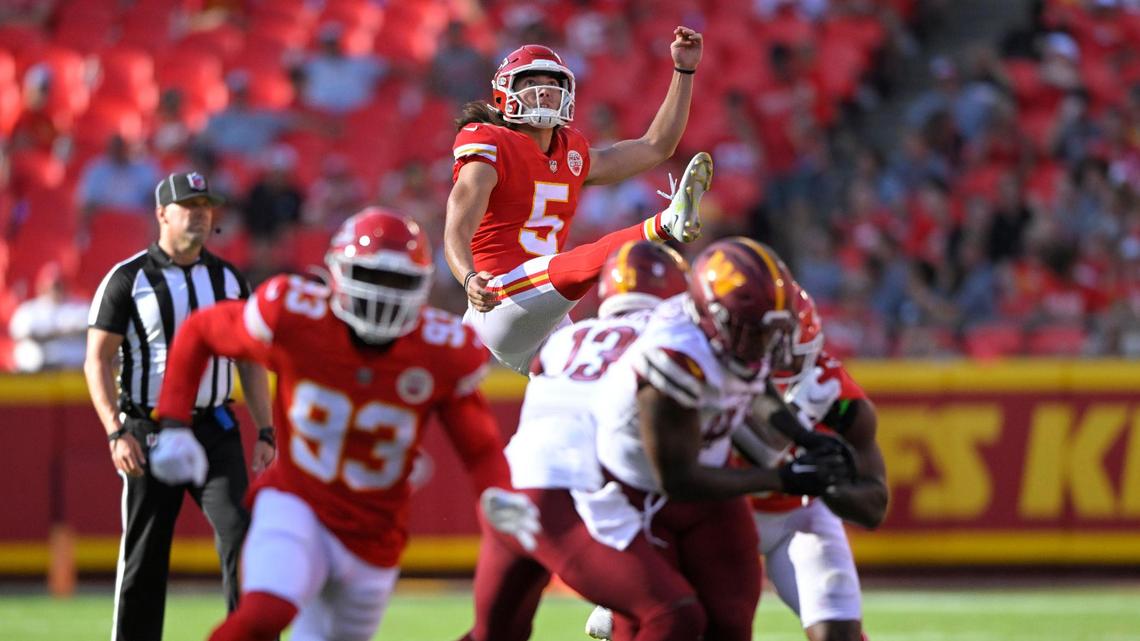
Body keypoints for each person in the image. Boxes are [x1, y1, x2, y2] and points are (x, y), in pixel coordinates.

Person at [147, 207, 540, 641]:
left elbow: (479, 447)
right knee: (263, 615)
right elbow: (201, 330)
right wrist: (174, 422)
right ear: (337, 272)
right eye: (370, 277)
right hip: (297, 503)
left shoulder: (441, 349)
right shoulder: (295, 316)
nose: (382, 295)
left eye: (398, 282)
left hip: (374, 536)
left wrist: (498, 493)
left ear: (421, 286)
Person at [588, 238, 857, 641]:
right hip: (640, 497)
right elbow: (678, 479)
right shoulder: (673, 356)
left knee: (731, 620)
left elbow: (755, 384)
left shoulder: (733, 332)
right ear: (713, 316)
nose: (763, 344)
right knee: (671, 622)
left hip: (708, 497)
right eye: (753, 330)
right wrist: (785, 478)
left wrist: (803, 437)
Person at [461, 241, 705, 641]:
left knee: (495, 634)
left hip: (512, 485)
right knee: (673, 612)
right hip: (560, 497)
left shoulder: (572, 339)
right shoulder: (666, 345)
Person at [445, 27, 713, 374]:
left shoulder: (572, 153)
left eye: (551, 83)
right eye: (531, 82)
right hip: (498, 299)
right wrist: (468, 278)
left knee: (598, 388)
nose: (544, 91)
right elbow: (456, 226)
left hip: (549, 313)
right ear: (504, 94)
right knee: (574, 263)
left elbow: (656, 146)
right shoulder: (489, 143)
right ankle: (665, 223)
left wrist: (684, 71)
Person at [83, 171, 276, 641]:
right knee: (146, 553)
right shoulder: (128, 278)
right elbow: (98, 359)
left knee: (243, 537)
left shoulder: (229, 279)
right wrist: (116, 430)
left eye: (205, 206)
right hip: (148, 429)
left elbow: (249, 361)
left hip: (215, 426)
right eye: (189, 206)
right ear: (162, 214)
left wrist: (266, 431)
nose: (200, 215)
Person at [743, 287, 888, 641]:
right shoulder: (705, 374)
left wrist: (832, 486)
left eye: (785, 346)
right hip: (717, 515)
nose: (776, 358)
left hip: (795, 516)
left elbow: (873, 506)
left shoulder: (832, 393)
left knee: (838, 634)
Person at [8, 261, 88, 372]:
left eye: (59, 285)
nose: (55, 289)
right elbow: (20, 333)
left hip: (74, 366)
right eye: (52, 285)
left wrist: (49, 334)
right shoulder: (28, 310)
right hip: (38, 367)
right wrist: (61, 333)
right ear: (42, 285)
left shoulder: (80, 307)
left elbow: (89, 330)